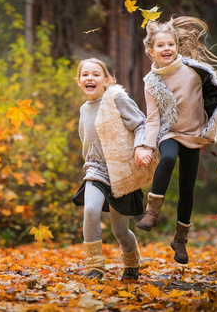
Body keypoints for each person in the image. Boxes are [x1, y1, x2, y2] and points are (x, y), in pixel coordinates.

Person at [135, 16, 217, 264]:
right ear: (150, 51)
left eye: (170, 44)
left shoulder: (194, 70)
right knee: (169, 157)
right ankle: (152, 212)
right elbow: (152, 119)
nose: (167, 49)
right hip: (169, 133)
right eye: (160, 46)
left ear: (176, 46)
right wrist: (148, 146)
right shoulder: (151, 83)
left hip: (193, 136)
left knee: (187, 189)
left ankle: (180, 240)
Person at [72, 58, 151, 281]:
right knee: (90, 210)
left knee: (119, 231)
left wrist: (139, 148)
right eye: (85, 74)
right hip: (95, 171)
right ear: (78, 81)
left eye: (96, 74)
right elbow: (84, 140)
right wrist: (89, 163)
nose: (90, 78)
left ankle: (132, 264)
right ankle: (95, 266)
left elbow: (140, 124)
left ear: (106, 80)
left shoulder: (116, 100)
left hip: (120, 172)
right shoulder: (83, 109)